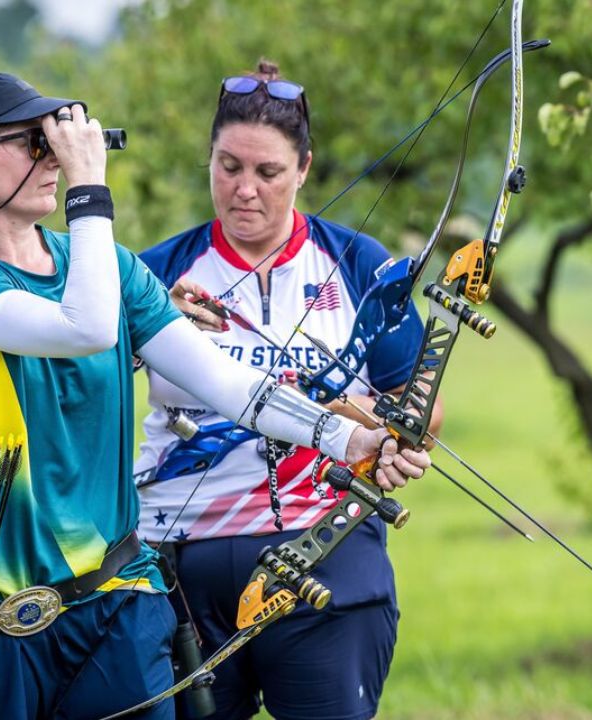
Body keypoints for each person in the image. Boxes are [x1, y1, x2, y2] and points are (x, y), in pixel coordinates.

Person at [0, 72, 430, 720]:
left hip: (116, 595)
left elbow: (231, 385)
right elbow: (86, 326)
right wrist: (89, 188)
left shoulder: (112, 267)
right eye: (34, 142)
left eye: (55, 143)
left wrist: (351, 437)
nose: (54, 158)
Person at [135, 60, 443, 720]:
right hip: (178, 573)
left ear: (304, 168)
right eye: (228, 167)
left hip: (324, 551)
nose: (244, 189)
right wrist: (152, 315)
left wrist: (393, 437)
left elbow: (419, 399)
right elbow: (81, 384)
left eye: (267, 172)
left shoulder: (356, 261)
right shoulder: (157, 272)